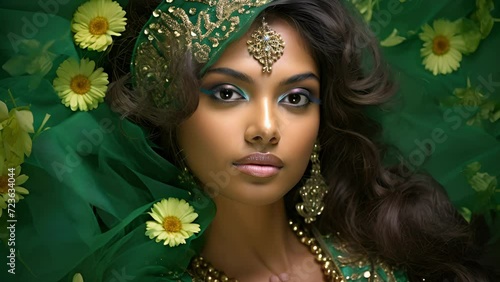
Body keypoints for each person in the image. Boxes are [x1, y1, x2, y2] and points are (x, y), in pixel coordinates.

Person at [0, 0, 498, 281]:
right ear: (167, 112)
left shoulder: (393, 253)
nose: (266, 127)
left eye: (297, 98)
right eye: (226, 92)